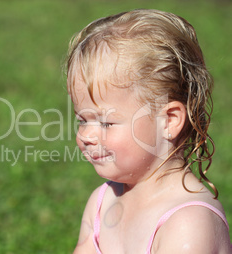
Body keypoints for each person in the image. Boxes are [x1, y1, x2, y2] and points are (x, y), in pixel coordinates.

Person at [65, 9, 232, 253]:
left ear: (168, 120)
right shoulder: (102, 202)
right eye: (82, 120)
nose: (86, 137)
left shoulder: (188, 223)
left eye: (105, 123)